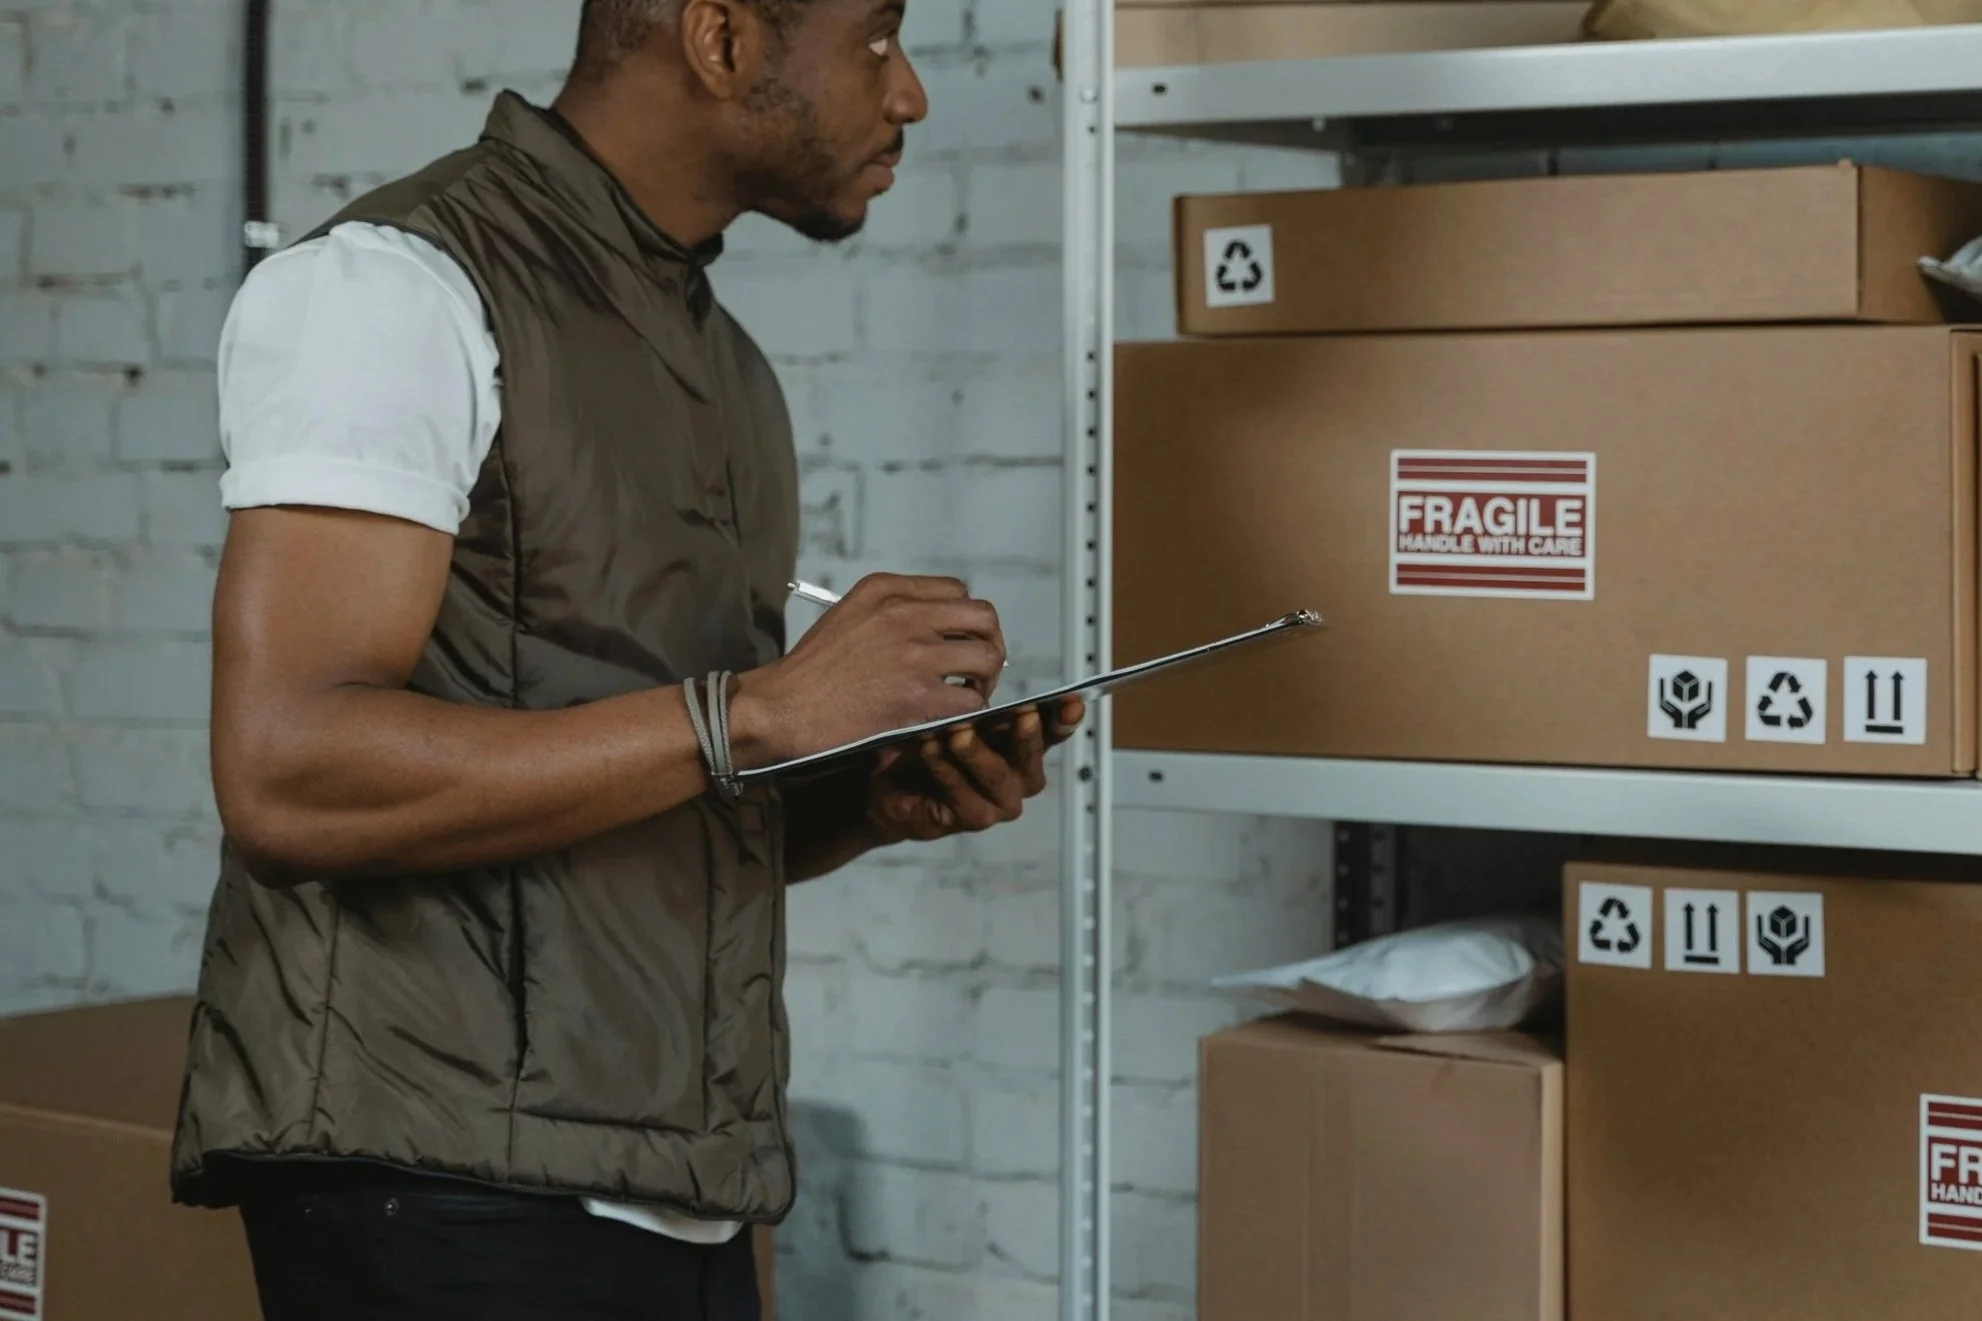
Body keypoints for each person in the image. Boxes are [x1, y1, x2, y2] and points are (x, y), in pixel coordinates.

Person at [168, 1, 1083, 1317]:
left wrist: (854, 803)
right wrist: (762, 712)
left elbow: (644, 786)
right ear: (720, 40)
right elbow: (288, 773)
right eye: (876, 39)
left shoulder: (725, 370)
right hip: (437, 1193)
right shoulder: (392, 289)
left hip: (677, 1192)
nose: (911, 95)